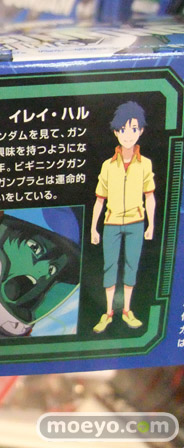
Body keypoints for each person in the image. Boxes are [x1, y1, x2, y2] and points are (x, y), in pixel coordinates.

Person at [90, 101, 156, 334]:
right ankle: (108, 312)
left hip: (136, 222)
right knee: (109, 266)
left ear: (141, 131)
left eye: (134, 129)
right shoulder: (108, 166)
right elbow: (99, 199)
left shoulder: (145, 164)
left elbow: (150, 196)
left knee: (131, 266)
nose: (128, 135)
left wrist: (151, 225)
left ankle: (127, 310)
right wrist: (93, 228)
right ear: (116, 132)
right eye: (123, 129)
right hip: (111, 223)